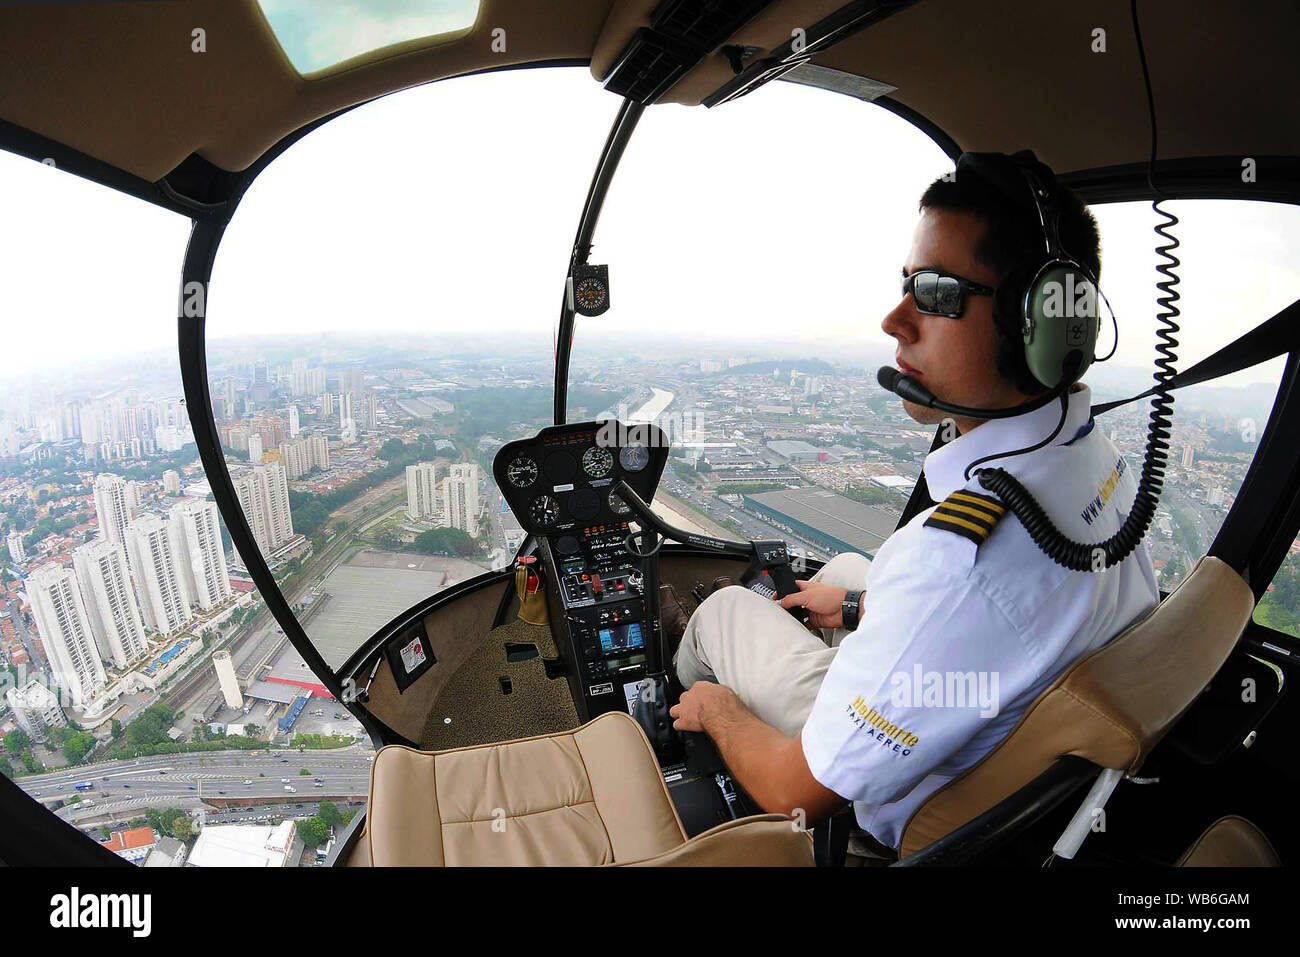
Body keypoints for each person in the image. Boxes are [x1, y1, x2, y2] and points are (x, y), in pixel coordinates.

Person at [668, 151, 1161, 855]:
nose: (894, 319)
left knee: (723, 613)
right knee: (839, 570)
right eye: (906, 285)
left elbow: (796, 788)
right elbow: (999, 623)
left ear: (1037, 323)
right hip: (1008, 712)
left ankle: (672, 703)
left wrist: (721, 713)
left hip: (911, 793)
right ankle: (834, 621)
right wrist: (856, 610)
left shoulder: (959, 558)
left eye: (935, 293)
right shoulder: (1087, 453)